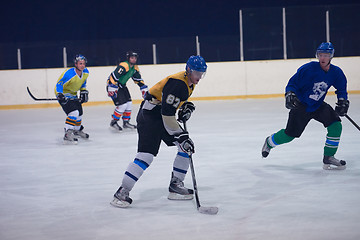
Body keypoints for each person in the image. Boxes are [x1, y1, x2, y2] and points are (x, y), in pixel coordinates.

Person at [110, 55, 207, 208]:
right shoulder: (178, 83)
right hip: (151, 116)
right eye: (196, 73)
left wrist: (185, 106)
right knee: (146, 156)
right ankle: (122, 192)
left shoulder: (188, 81)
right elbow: (167, 114)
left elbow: (171, 103)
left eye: (202, 73)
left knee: (185, 147)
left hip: (158, 114)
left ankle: (176, 185)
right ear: (188, 70)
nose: (199, 77)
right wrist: (181, 135)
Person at [261, 42, 350, 170]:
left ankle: (328, 157)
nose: (323, 58)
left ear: (331, 56)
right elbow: (292, 83)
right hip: (301, 106)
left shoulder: (336, 72)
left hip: (318, 105)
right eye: (320, 55)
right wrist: (290, 94)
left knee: (335, 125)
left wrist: (343, 101)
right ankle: (269, 142)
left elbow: (341, 88)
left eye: (326, 55)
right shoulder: (308, 68)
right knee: (289, 135)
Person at [106, 51, 148, 131]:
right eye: (132, 58)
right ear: (128, 58)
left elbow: (138, 79)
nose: (134, 59)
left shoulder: (134, 68)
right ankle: (114, 122)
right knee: (122, 105)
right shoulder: (124, 65)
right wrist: (111, 87)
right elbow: (114, 76)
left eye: (135, 58)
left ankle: (126, 122)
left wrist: (143, 88)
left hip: (122, 86)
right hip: (114, 86)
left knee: (129, 103)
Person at [55, 54, 90, 144]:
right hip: (64, 95)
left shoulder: (86, 72)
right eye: (80, 63)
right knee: (74, 112)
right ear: (76, 64)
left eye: (83, 63)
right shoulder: (69, 73)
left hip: (73, 95)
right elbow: (59, 84)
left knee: (80, 114)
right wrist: (59, 94)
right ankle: (68, 133)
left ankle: (76, 130)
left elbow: (83, 83)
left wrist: (83, 91)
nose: (82, 65)